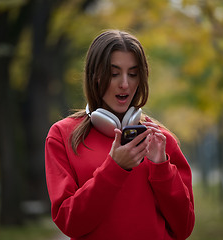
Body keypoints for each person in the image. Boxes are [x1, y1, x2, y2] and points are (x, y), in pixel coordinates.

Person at [45, 30, 195, 240]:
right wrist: (115, 168)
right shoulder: (62, 136)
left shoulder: (160, 140)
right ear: (94, 76)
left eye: (133, 74)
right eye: (114, 74)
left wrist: (161, 168)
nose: (124, 83)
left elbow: (184, 227)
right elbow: (70, 223)